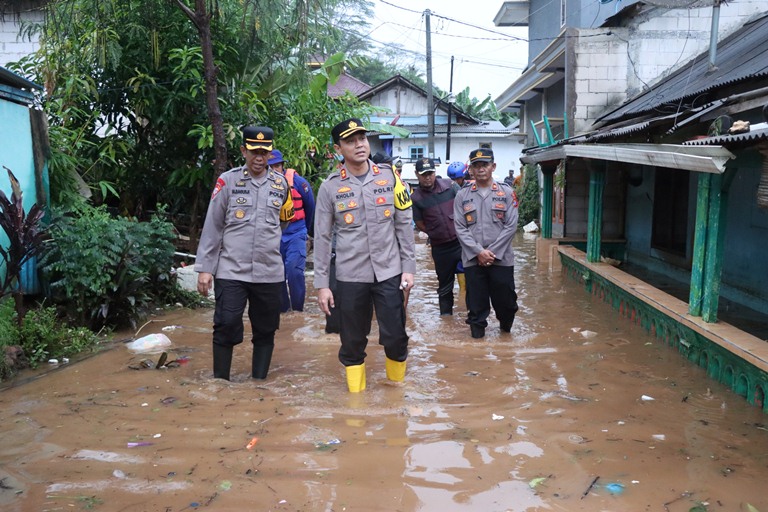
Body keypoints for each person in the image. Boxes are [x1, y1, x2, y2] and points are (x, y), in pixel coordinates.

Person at [314, 118, 416, 392]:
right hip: (350, 275)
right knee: (352, 341)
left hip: (389, 272)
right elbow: (322, 238)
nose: (359, 145)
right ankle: (356, 404)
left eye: (362, 138)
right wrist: (323, 285)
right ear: (338, 148)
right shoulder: (330, 187)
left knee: (395, 336)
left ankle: (396, 396)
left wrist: (409, 268)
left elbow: (404, 224)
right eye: (350, 141)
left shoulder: (389, 176)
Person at [195, 126, 294, 380]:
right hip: (231, 270)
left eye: (264, 152)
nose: (259, 157)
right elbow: (213, 226)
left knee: (265, 330)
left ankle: (259, 385)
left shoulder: (280, 184)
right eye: (254, 151)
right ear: (243, 151)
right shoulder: (227, 181)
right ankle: (221, 384)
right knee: (226, 323)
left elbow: (282, 223)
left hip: (268, 272)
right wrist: (206, 268)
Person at [453, 148, 519, 339]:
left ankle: (506, 335)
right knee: (476, 308)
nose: (480, 169)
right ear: (471, 169)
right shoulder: (462, 196)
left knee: (506, 304)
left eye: (485, 164)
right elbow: (460, 228)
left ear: (493, 166)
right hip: (473, 260)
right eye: (476, 165)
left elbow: (511, 225)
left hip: (502, 260)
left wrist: (491, 252)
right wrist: (478, 252)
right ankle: (477, 351)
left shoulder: (506, 193)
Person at [410, 158, 464, 316]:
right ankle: (446, 319)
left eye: (430, 173)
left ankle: (473, 316)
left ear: (435, 172)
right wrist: (434, 232)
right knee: (445, 286)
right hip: (440, 248)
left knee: (473, 281)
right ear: (417, 175)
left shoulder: (451, 186)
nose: (427, 177)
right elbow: (419, 222)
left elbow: (465, 207)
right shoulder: (416, 198)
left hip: (461, 243)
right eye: (424, 174)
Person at [268, 149, 316, 313]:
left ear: (282, 166)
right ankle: (284, 311)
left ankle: (297, 312)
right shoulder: (261, 184)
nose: (274, 170)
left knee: (294, 271)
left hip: (296, 231)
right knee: (277, 273)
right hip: (274, 233)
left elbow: (310, 207)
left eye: (277, 166)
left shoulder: (299, 182)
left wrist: (305, 232)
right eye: (271, 167)